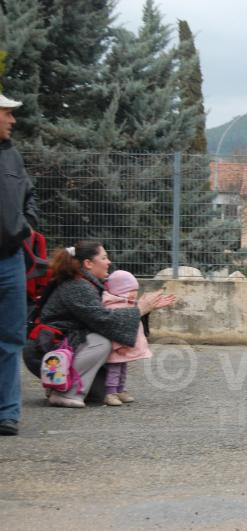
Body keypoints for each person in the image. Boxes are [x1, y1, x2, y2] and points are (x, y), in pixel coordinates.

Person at [22, 241, 175, 407]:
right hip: (45, 350)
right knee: (102, 342)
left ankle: (57, 385)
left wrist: (142, 309)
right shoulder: (78, 285)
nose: (109, 262)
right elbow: (103, 320)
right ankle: (65, 393)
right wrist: (139, 309)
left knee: (100, 393)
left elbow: (108, 315)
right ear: (88, 263)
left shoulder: (87, 282)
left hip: (59, 347)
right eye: (104, 257)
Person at [0, 93, 38, 436]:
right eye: (6, 113)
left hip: (10, 259)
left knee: (11, 337)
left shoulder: (12, 156)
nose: (13, 120)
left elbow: (29, 196)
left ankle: (7, 414)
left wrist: (26, 224)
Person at [101, 270, 154, 406]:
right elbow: (114, 328)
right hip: (118, 347)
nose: (134, 294)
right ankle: (110, 392)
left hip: (125, 345)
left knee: (123, 369)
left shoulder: (126, 304)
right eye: (131, 291)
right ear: (120, 290)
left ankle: (121, 389)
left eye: (135, 290)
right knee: (114, 369)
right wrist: (118, 346)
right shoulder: (115, 306)